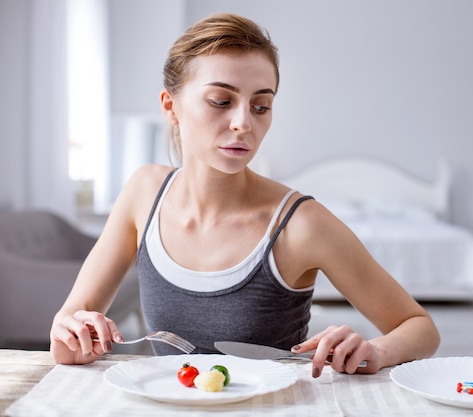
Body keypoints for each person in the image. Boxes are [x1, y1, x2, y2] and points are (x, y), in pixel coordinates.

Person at [50, 12, 440, 377]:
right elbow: (65, 338)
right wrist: (75, 334)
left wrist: (375, 350)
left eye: (261, 106)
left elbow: (420, 328)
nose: (243, 123)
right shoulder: (143, 193)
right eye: (221, 101)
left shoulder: (301, 224)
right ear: (171, 106)